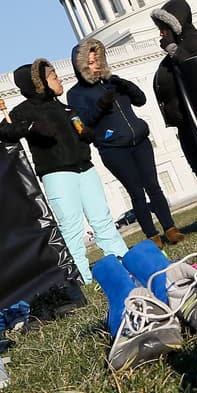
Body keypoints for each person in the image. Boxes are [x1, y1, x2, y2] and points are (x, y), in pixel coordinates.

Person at [0, 59, 129, 284]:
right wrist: (30, 127)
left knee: (102, 219)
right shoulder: (23, 111)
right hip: (57, 174)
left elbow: (81, 126)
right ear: (39, 84)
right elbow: (6, 130)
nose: (59, 80)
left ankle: (123, 261)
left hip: (85, 168)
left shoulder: (65, 107)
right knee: (70, 226)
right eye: (53, 77)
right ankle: (79, 276)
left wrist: (88, 131)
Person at [67, 39, 181, 247]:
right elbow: (84, 123)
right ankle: (152, 237)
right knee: (136, 193)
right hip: (114, 149)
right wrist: (102, 105)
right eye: (91, 62)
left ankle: (170, 228)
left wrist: (125, 85)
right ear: (81, 65)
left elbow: (141, 100)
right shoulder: (76, 94)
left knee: (154, 187)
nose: (97, 65)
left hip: (140, 141)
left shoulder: (113, 81)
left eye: (98, 60)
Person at [150, 0, 197, 221]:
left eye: (163, 27)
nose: (161, 33)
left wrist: (174, 51)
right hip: (187, 121)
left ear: (175, 24)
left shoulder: (195, 42)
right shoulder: (180, 46)